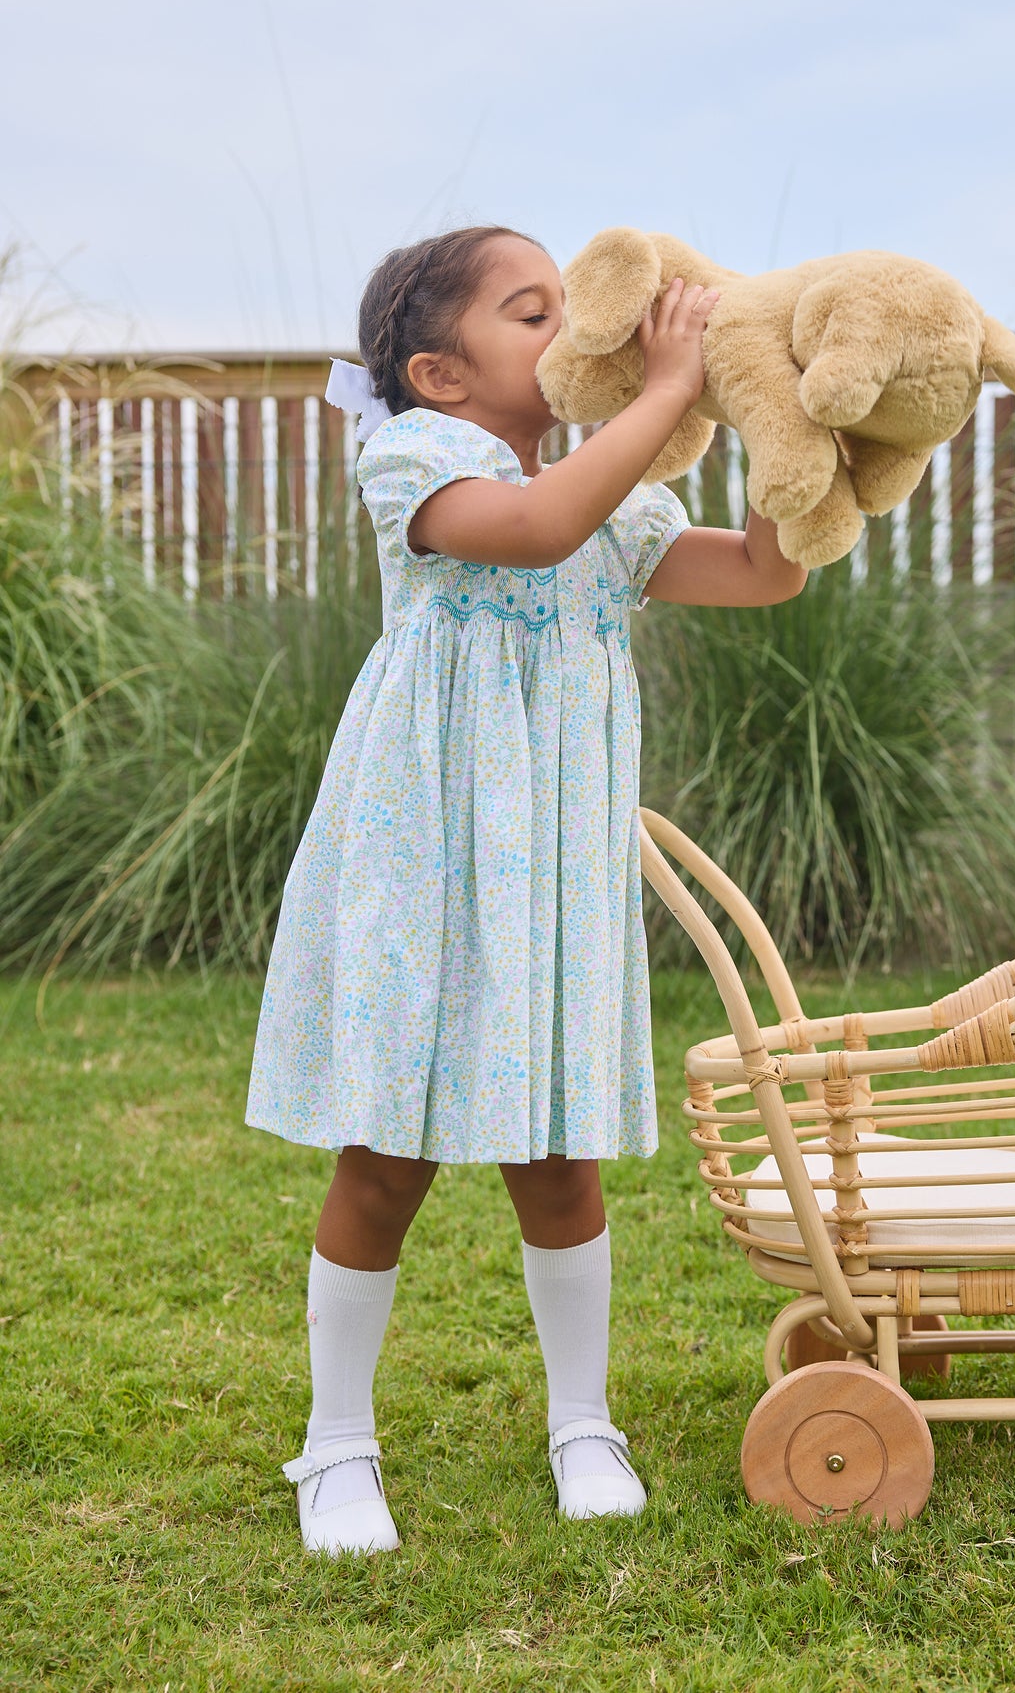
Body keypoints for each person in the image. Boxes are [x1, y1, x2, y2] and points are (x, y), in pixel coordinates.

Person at [245, 225, 805, 1554]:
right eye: (533, 308)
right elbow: (535, 523)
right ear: (441, 372)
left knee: (559, 1155)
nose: (580, 324)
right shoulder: (416, 460)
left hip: (550, 870)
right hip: (423, 855)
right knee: (385, 1154)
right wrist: (666, 394)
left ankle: (581, 1419)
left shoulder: (620, 505)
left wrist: (780, 425)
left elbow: (765, 570)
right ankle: (335, 1444)